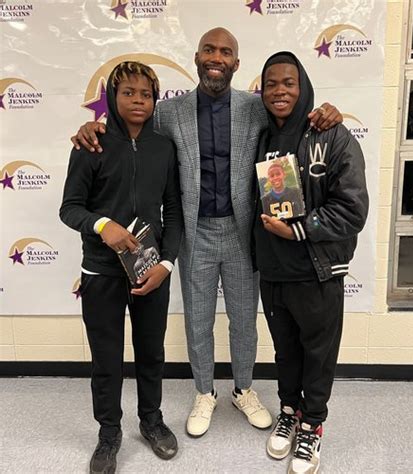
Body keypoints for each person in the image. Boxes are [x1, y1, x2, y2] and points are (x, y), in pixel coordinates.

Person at [71, 28, 343, 438]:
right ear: (197, 57)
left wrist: (327, 112)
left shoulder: (255, 107)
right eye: (209, 50)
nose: (217, 57)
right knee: (197, 320)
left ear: (236, 63)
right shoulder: (168, 111)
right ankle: (204, 392)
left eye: (226, 52)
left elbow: (292, 111)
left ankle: (244, 389)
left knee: (243, 321)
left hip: (243, 232)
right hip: (194, 231)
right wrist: (92, 128)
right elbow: (128, 125)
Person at [60, 61, 183, 473]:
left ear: (155, 99)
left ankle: (151, 420)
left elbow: (174, 210)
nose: (138, 101)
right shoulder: (91, 144)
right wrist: (102, 225)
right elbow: (70, 208)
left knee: (151, 353)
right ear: (113, 97)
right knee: (106, 359)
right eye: (128, 92)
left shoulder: (164, 148)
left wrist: (167, 263)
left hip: (150, 270)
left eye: (146, 94)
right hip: (101, 273)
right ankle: (109, 432)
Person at [253, 52, 368, 473]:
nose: (279, 91)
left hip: (316, 270)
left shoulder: (332, 134)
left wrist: (299, 230)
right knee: (285, 352)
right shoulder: (260, 136)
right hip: (273, 272)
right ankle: (289, 411)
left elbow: (352, 210)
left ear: (303, 87)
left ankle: (312, 425)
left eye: (289, 83)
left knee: (318, 355)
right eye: (271, 84)